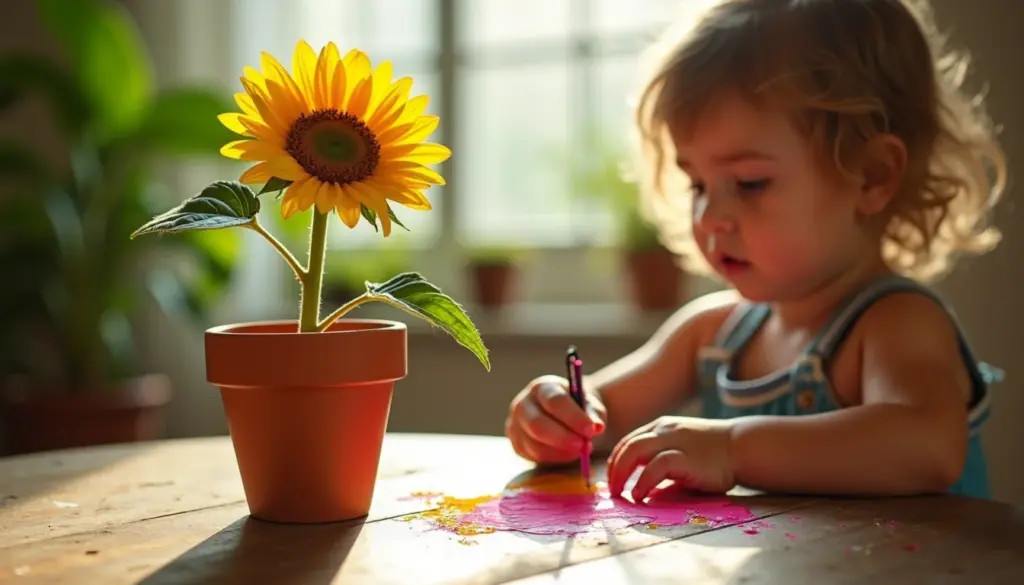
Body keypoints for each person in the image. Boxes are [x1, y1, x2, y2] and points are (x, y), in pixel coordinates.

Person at [504, 0, 1007, 503]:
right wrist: (559, 415)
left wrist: (732, 448)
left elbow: (926, 447)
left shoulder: (897, 322)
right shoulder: (712, 334)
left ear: (871, 176)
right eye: (698, 184)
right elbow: (604, 412)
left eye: (749, 183)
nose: (708, 216)